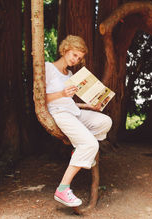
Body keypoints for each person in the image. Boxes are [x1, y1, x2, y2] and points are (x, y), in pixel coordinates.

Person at [45, 35, 112, 207]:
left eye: (80, 57)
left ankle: (81, 149)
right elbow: (41, 99)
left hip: (74, 111)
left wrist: (89, 105)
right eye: (74, 55)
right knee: (91, 145)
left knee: (105, 121)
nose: (76, 60)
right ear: (65, 50)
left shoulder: (70, 74)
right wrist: (62, 94)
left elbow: (69, 101)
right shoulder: (47, 68)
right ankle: (62, 189)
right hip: (60, 113)